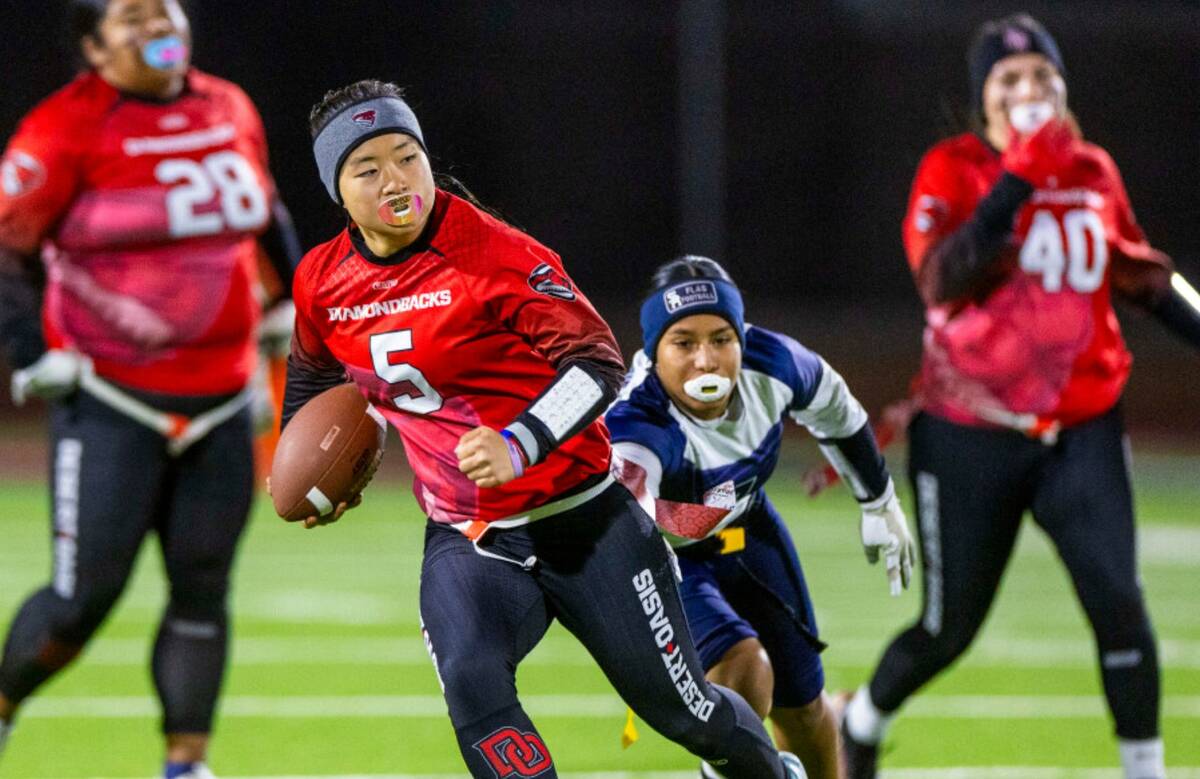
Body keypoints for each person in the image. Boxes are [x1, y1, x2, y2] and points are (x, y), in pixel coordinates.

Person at [282, 77, 811, 778]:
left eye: (407, 156)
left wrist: (518, 441)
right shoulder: (322, 279)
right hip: (469, 537)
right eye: (367, 167)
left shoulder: (492, 252)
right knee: (473, 681)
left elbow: (598, 363)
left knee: (686, 712)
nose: (396, 179)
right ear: (336, 191)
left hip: (585, 520)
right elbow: (313, 371)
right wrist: (310, 469)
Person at [839, 14, 1200, 779]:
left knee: (1119, 603)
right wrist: (1021, 176)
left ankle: (1147, 771)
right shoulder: (953, 167)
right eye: (1010, 80)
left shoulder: (1093, 169)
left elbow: (1144, 274)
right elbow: (941, 281)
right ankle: (863, 719)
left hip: (1080, 427)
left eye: (1043, 75)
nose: (1030, 89)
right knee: (948, 628)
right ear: (985, 103)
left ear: (1063, 90)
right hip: (969, 431)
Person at [0, 1, 300, 777]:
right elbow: (6, 245)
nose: (154, 25)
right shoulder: (63, 126)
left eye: (160, 9)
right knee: (81, 598)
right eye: (129, 18)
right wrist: (31, 350)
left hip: (225, 395)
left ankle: (186, 763)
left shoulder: (227, 103)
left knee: (203, 586)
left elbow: (266, 207)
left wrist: (287, 296)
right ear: (94, 48)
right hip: (112, 397)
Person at [605, 255, 915, 779]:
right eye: (684, 343)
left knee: (807, 709)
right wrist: (706, 514)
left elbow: (840, 417)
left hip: (753, 536)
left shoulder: (775, 363)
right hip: (672, 563)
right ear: (654, 350)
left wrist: (880, 501)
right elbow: (632, 522)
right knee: (744, 676)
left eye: (721, 339)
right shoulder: (637, 421)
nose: (706, 360)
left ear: (741, 338)